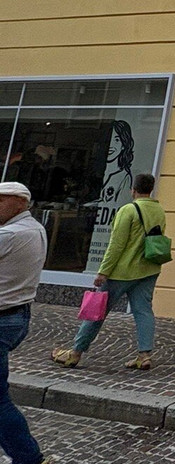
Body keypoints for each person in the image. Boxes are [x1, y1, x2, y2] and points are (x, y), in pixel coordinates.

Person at [51, 174, 166, 370]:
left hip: (121, 272)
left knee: (97, 311)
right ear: (151, 189)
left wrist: (103, 271)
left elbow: (116, 244)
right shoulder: (158, 210)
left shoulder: (128, 210)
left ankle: (75, 353)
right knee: (143, 311)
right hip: (148, 268)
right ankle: (144, 355)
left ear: (133, 190)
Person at [0, 182, 52, 464]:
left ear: (20, 202)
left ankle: (29, 458)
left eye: (0, 201)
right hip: (16, 314)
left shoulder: (11, 234)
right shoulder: (35, 228)